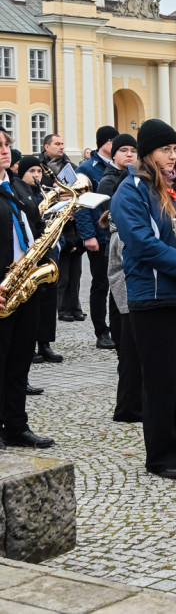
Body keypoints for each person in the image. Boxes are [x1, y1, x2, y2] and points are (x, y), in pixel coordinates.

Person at [110, 119, 176, 480]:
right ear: (148, 153)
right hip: (153, 297)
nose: (173, 157)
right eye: (165, 150)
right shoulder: (131, 191)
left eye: (175, 149)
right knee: (161, 379)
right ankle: (161, 454)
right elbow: (142, 243)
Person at [0, 130, 55, 448]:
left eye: (7, 145)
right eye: (0, 147)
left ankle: (17, 426)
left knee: (20, 360)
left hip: (27, 285)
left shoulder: (19, 185)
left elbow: (34, 229)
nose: (6, 151)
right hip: (3, 287)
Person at [100, 134, 144, 422]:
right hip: (121, 267)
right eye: (123, 150)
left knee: (134, 344)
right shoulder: (112, 183)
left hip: (128, 267)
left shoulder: (135, 180)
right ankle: (127, 406)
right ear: (114, 155)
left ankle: (133, 402)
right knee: (128, 343)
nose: (129, 155)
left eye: (133, 150)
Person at [16, 156, 57, 394]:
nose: (37, 175)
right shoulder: (19, 193)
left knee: (44, 306)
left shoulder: (38, 192)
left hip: (43, 256)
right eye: (31, 170)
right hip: (27, 261)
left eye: (38, 171)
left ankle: (43, 344)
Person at [76, 126, 118, 349]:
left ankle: (117, 326)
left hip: (118, 234)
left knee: (118, 283)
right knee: (101, 285)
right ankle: (101, 331)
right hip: (99, 235)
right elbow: (81, 205)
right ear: (103, 142)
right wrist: (88, 235)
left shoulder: (122, 167)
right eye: (113, 140)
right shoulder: (86, 168)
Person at [40, 134, 85, 323]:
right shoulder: (41, 168)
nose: (61, 147)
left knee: (76, 274)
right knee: (63, 273)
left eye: (62, 144)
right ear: (46, 147)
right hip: (58, 224)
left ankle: (75, 307)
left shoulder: (70, 167)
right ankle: (63, 308)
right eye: (57, 144)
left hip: (74, 222)